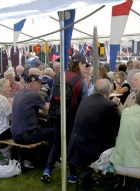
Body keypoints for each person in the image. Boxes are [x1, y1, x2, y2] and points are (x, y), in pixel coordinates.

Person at [41, 52, 88, 183]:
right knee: (71, 145)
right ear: (80, 63)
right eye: (85, 64)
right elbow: (83, 105)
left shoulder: (58, 75)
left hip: (56, 115)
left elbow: (51, 97)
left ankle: (47, 170)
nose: (86, 67)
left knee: (57, 143)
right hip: (72, 118)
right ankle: (72, 175)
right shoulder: (82, 81)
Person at [67, 79, 121, 186]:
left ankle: (87, 177)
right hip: (91, 150)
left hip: (76, 147)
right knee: (119, 142)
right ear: (109, 91)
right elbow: (119, 125)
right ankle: (119, 179)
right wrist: (116, 106)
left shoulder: (85, 100)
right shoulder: (109, 105)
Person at [11, 74, 53, 168]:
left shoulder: (19, 93)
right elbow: (48, 110)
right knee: (55, 132)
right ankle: (50, 161)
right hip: (25, 136)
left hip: (15, 134)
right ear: (32, 83)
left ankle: (32, 158)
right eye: (39, 84)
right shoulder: (34, 94)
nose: (41, 86)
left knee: (43, 127)